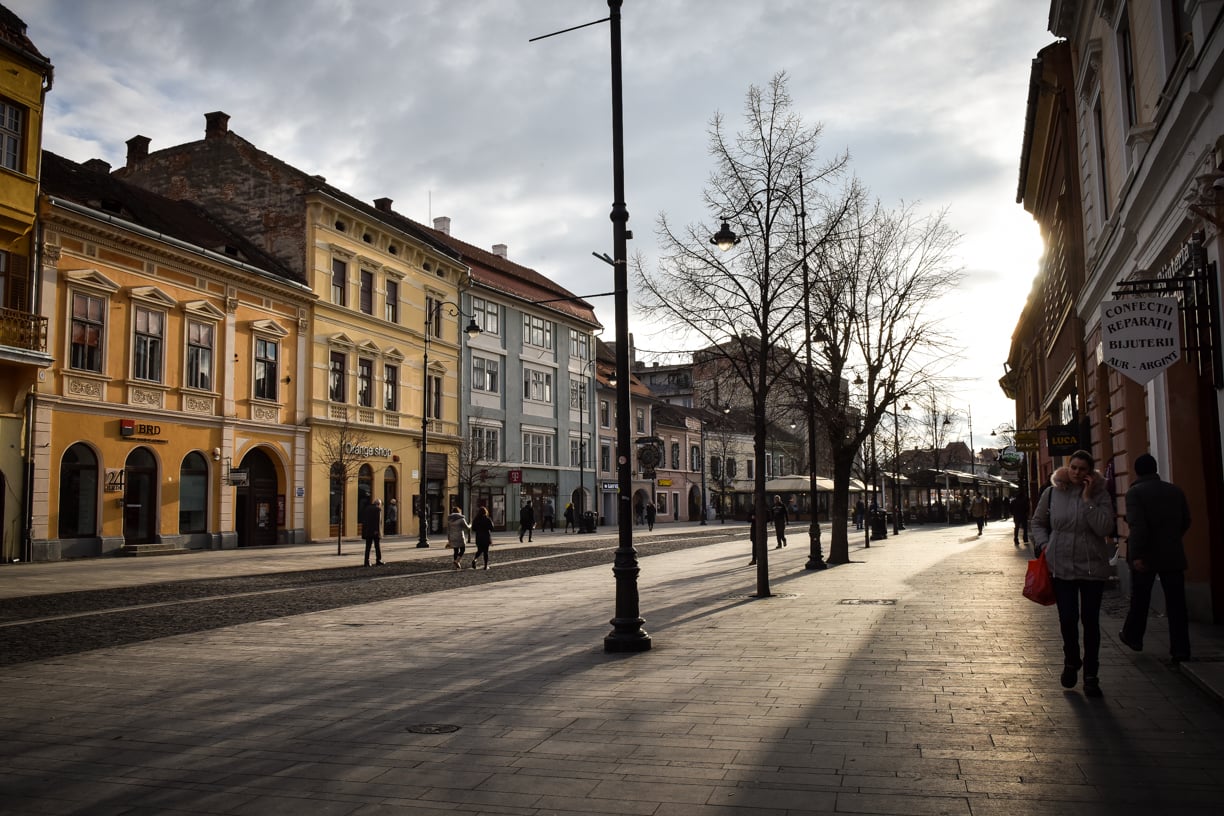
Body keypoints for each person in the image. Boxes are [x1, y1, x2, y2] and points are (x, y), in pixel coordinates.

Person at [1031, 450, 1114, 698]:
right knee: (1067, 619)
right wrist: (1045, 545)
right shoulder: (1053, 492)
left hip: (1092, 568)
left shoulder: (1099, 493)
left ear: (1090, 472)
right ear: (1069, 467)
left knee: (1090, 622)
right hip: (1061, 566)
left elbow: (1104, 527)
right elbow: (1037, 522)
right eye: (1074, 468)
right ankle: (1071, 660)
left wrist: (1088, 499)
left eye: (1083, 469)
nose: (1077, 473)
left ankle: (1091, 674)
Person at [1119, 453, 1192, 662]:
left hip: (1146, 556)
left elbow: (1138, 526)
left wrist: (1138, 555)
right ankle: (1181, 648)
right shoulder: (1175, 491)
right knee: (1177, 604)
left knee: (1140, 599)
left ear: (1137, 471)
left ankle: (1133, 636)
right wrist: (1172, 538)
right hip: (1173, 554)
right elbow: (1186, 520)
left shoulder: (1135, 493)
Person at [361, 499, 384, 567]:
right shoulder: (378, 509)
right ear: (379, 504)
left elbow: (364, 520)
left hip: (368, 531)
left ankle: (366, 561)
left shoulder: (367, 509)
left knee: (368, 547)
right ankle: (378, 560)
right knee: (377, 546)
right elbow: (378, 521)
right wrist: (377, 530)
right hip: (375, 531)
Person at [470, 505, 495, 570]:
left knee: (479, 550)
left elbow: (473, 528)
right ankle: (486, 566)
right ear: (485, 512)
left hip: (478, 537)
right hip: (486, 536)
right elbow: (492, 528)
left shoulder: (476, 519)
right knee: (485, 552)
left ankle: (475, 559)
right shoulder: (487, 519)